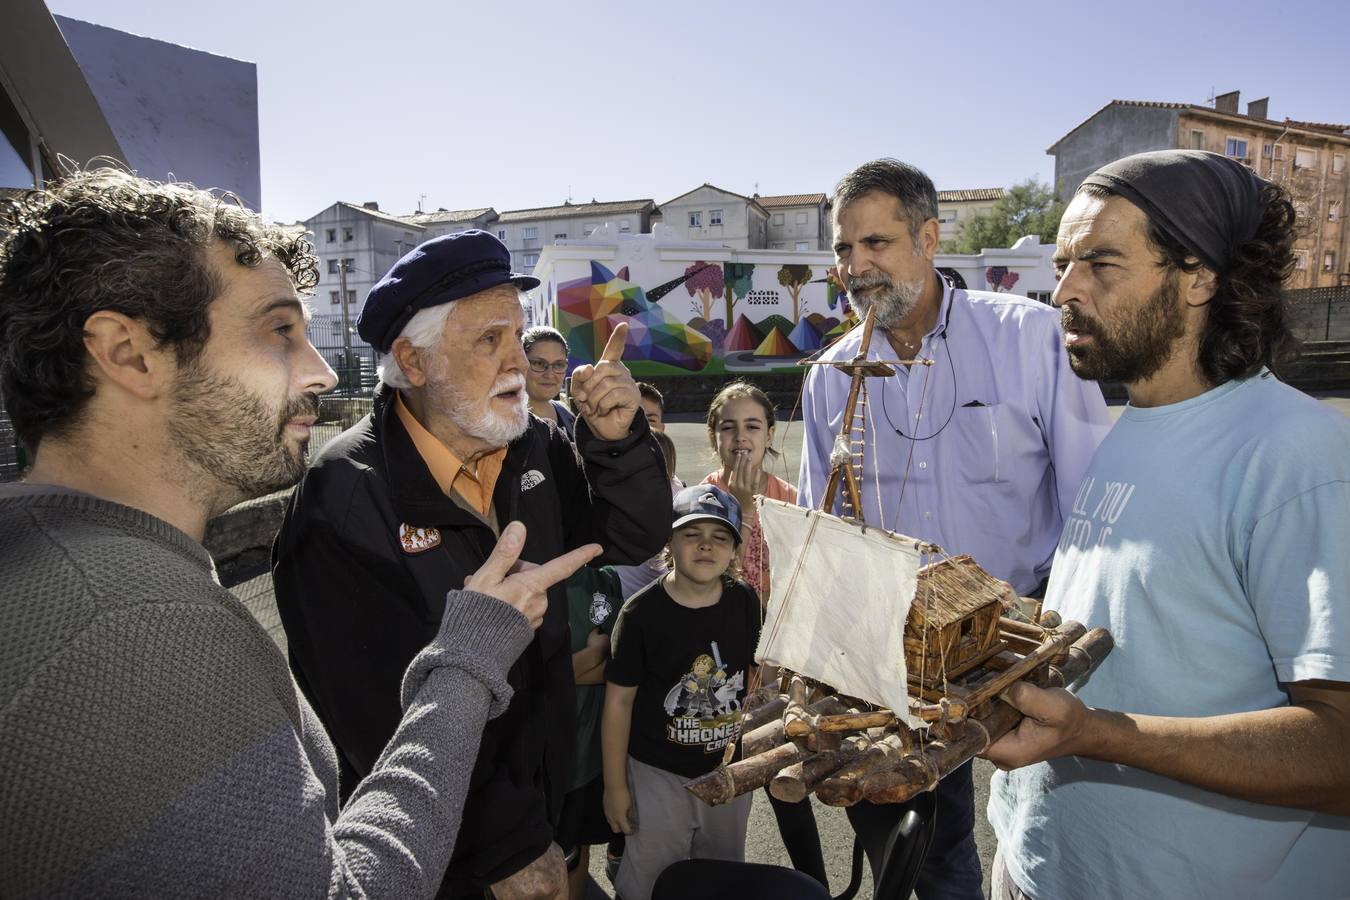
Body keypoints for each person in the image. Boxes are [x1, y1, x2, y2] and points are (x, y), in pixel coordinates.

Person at [0, 169, 599, 896]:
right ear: (129, 353)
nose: (319, 372)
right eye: (279, 330)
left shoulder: (78, 573)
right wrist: (470, 658)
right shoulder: (132, 621)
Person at [985, 150, 1350, 899]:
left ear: (1200, 276)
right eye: (1062, 264)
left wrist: (1097, 733)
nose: (1063, 291)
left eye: (1101, 263)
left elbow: (1340, 746)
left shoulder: (1297, 454)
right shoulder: (1136, 422)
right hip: (1039, 868)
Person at [272, 229, 670, 900]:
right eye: (491, 341)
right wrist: (505, 846)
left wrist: (619, 443)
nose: (520, 362)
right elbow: (373, 716)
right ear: (414, 361)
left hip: (541, 787)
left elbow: (630, 537)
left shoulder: (531, 442)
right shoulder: (341, 501)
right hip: (438, 854)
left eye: (518, 335)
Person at [800, 159, 1111, 898]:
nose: (856, 266)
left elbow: (1091, 505)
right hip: (899, 652)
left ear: (929, 236)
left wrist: (1069, 643)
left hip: (1020, 640)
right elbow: (828, 535)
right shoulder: (829, 377)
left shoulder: (1032, 340)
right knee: (924, 843)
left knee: (1041, 825)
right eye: (845, 250)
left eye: (876, 243)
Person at [602, 484, 761, 900]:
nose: (706, 546)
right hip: (657, 774)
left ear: (734, 551)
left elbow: (757, 674)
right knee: (652, 876)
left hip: (727, 768)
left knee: (722, 876)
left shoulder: (745, 602)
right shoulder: (639, 614)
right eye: (692, 534)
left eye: (720, 537)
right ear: (669, 541)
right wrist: (615, 786)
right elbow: (618, 703)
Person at [702, 380, 830, 887]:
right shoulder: (699, 505)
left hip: (777, 672)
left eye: (752, 426)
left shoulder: (795, 504)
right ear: (713, 437)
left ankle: (817, 886)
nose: (741, 438)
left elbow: (806, 594)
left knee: (784, 784)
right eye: (728, 427)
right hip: (715, 673)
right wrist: (739, 507)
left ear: (770, 434)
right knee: (716, 791)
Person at [557, 563, 623, 900]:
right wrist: (594, 653)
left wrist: (578, 667)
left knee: (575, 851)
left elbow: (623, 668)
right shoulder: (530, 582)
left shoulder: (606, 580)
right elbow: (534, 679)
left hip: (587, 759)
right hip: (542, 764)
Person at [523, 325, 576, 438]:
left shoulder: (568, 416)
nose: (550, 375)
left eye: (558, 365)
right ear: (521, 363)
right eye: (539, 363)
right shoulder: (505, 426)